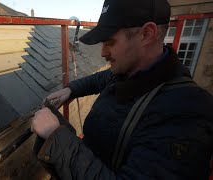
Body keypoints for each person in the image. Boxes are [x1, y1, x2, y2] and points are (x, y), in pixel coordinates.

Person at [31, 0, 213, 179]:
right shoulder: (134, 70)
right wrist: (71, 89)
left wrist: (56, 137)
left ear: (147, 34)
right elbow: (103, 78)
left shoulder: (186, 115)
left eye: (109, 42)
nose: (102, 52)